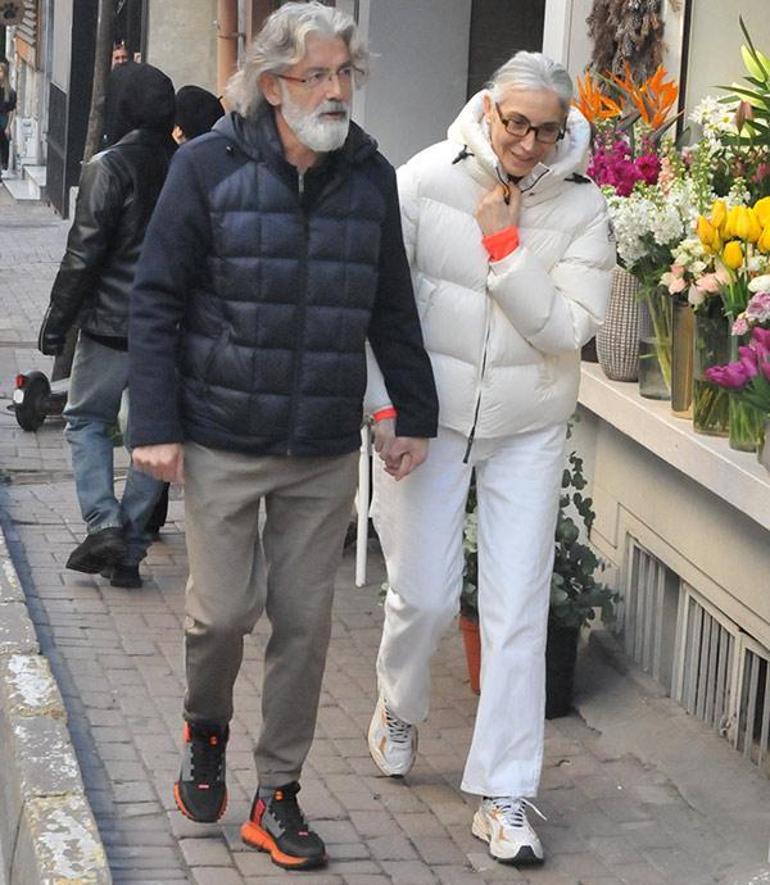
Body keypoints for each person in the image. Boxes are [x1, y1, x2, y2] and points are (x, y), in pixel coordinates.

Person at [128, 1, 437, 872]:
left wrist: (410, 411)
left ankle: (278, 792)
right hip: (223, 433)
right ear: (273, 84)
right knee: (222, 615)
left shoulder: (369, 176)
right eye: (319, 75)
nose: (338, 91)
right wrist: (153, 424)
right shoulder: (206, 168)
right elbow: (155, 297)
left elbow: (389, 303)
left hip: (322, 444)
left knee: (304, 623)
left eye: (347, 74)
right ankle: (205, 728)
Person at [366, 50, 614, 867]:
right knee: (428, 597)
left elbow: (568, 328)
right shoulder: (423, 179)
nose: (530, 143)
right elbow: (379, 303)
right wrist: (384, 404)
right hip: (431, 419)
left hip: (529, 424)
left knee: (517, 611)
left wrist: (506, 249)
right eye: (518, 124)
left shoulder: (584, 210)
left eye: (547, 130)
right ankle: (399, 703)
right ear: (488, 108)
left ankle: (505, 790)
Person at [37, 62, 177, 590]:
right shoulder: (190, 165)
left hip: (111, 327)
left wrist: (58, 320)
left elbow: (83, 254)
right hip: (170, 331)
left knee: (88, 420)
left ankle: (105, 524)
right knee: (151, 435)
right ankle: (131, 546)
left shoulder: (108, 166)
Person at [0, 61, 17, 174]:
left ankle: (2, 166)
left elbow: (11, 110)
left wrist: (8, 126)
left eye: (0, 71)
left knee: (3, 144)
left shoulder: (10, 92)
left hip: (3, 119)